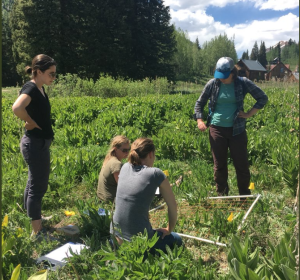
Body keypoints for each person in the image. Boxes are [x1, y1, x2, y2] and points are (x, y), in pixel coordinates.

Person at [194, 57, 268, 196]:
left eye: (224, 76)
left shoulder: (242, 83)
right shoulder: (213, 84)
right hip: (216, 129)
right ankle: (222, 196)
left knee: (242, 165)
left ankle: (244, 196)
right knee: (219, 166)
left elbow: (262, 97)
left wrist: (248, 114)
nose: (221, 78)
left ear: (232, 73)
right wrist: (200, 120)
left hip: (237, 130)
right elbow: (199, 103)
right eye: (219, 75)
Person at [110, 137, 182, 254]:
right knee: (176, 239)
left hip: (114, 237)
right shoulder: (155, 173)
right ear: (150, 154)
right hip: (139, 243)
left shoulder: (124, 167)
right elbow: (172, 205)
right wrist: (169, 229)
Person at [12, 54, 57, 237]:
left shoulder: (39, 87)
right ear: (38, 72)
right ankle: (37, 232)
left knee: (33, 183)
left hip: (38, 143)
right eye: (51, 74)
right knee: (38, 187)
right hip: (35, 144)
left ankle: (32, 216)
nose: (53, 77)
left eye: (55, 74)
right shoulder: (31, 87)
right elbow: (17, 108)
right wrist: (29, 121)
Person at [97, 135, 130, 202]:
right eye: (124, 150)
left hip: (101, 200)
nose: (127, 153)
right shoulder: (116, 164)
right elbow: (123, 186)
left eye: (128, 150)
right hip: (111, 202)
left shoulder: (109, 158)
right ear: (115, 149)